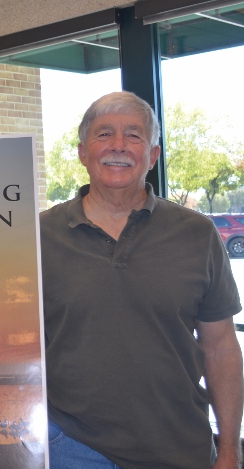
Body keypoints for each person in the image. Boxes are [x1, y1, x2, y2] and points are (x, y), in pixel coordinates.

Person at [40, 91, 243, 469]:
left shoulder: (197, 234)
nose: (118, 145)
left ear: (153, 155)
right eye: (104, 134)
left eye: (134, 135)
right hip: (71, 448)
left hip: (180, 446)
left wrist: (229, 450)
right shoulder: (38, 236)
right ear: (83, 152)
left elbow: (221, 348)